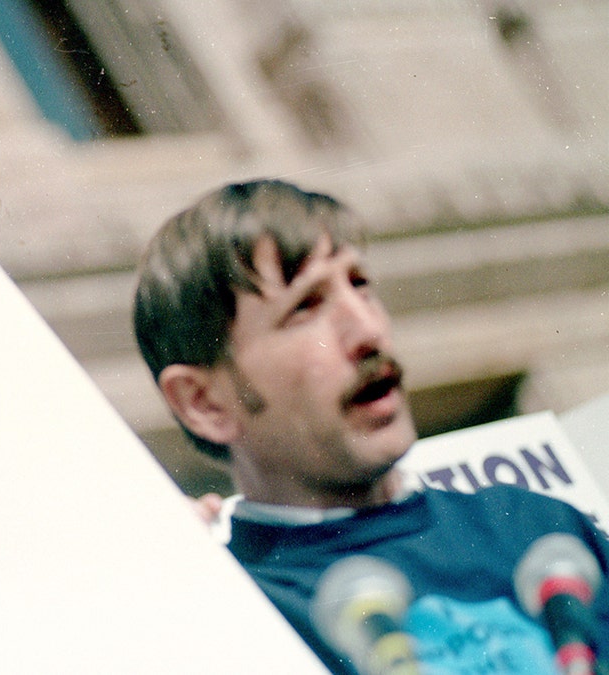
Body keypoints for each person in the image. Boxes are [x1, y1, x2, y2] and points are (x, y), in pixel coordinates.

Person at [133, 179, 609, 674]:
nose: (369, 330)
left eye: (360, 283)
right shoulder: (225, 613)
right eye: (307, 307)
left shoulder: (538, 532)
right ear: (204, 402)